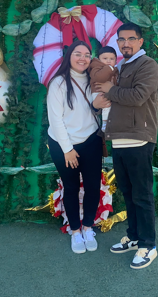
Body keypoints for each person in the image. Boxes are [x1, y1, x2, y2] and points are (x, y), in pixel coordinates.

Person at [94, 22, 158, 270]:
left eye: (131, 39)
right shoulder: (120, 66)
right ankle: (134, 237)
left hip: (139, 138)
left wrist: (111, 89)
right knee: (128, 192)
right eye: (121, 39)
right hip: (119, 138)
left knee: (142, 195)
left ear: (140, 41)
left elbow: (137, 96)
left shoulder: (148, 65)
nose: (125, 43)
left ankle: (148, 245)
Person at [46, 40, 110, 255]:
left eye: (87, 54)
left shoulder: (95, 81)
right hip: (63, 145)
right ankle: (75, 231)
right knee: (71, 187)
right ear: (69, 56)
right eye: (78, 53)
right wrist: (67, 149)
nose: (82, 58)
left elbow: (94, 109)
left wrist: (100, 108)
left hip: (90, 141)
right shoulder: (59, 83)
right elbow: (56, 119)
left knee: (93, 186)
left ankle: (88, 227)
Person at [88, 46, 118, 132]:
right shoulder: (96, 67)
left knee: (111, 106)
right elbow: (99, 78)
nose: (108, 61)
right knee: (107, 105)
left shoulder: (115, 70)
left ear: (116, 60)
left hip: (108, 91)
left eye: (111, 59)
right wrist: (109, 68)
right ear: (99, 59)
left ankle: (110, 123)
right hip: (98, 92)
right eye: (105, 58)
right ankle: (105, 124)